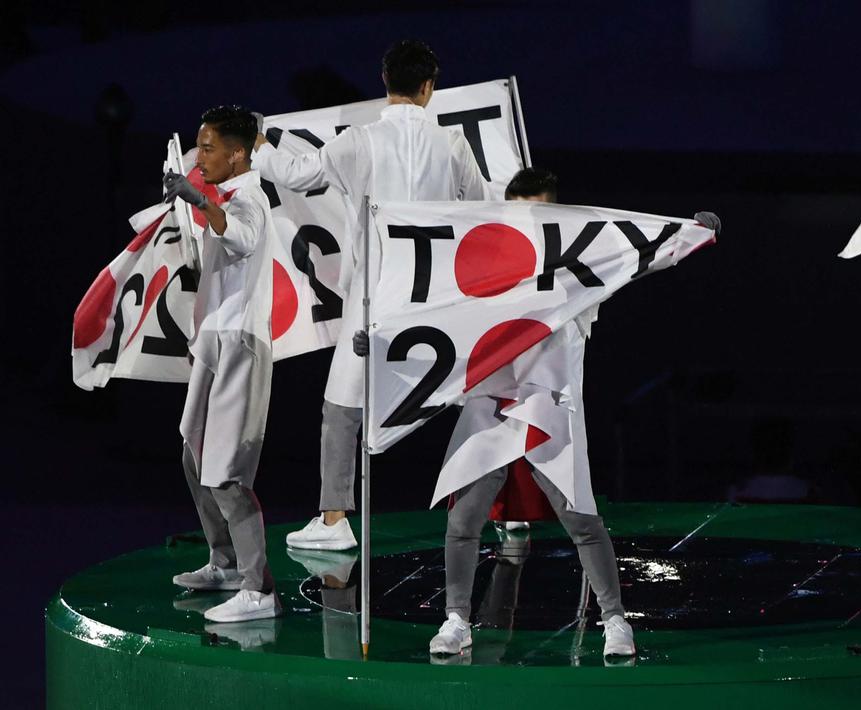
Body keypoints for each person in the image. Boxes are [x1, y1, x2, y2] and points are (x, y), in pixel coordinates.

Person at [353, 167, 721, 658]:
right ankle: (457, 620)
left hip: (549, 404)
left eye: (538, 212)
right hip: (487, 403)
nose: (526, 221)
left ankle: (615, 622)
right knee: (463, 520)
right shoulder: (483, 262)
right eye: (518, 211)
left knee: (582, 522)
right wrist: (380, 340)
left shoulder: (580, 265)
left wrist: (691, 236)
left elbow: (638, 255)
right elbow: (430, 302)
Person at [251, 39, 488, 552]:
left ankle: (334, 519)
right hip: (438, 300)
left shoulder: (358, 141)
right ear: (429, 87)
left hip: (373, 299)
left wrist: (259, 144)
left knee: (342, 406)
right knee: (475, 397)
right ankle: (502, 513)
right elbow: (484, 214)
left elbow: (297, 174)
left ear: (385, 82)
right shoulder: (453, 146)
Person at [164, 106, 280, 623]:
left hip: (242, 344)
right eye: (198, 145)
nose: (199, 156)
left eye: (208, 147)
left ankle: (260, 590)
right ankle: (226, 561)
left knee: (227, 474)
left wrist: (205, 204)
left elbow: (242, 236)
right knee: (194, 454)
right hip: (213, 340)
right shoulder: (224, 193)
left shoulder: (250, 198)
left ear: (237, 153)